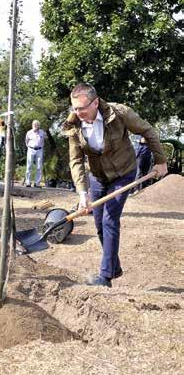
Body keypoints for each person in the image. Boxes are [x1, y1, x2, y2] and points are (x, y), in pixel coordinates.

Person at [63, 83, 167, 287]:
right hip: (98, 176)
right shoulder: (74, 125)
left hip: (123, 173)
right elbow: (75, 161)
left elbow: (147, 130)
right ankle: (114, 267)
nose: (78, 112)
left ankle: (105, 277)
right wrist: (83, 194)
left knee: (110, 219)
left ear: (95, 102)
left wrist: (161, 161)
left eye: (82, 108)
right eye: (75, 108)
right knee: (99, 223)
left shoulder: (119, 113)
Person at [25, 120, 45, 188]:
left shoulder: (42, 132)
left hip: (39, 150)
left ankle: (37, 183)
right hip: (31, 149)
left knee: (39, 167)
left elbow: (45, 139)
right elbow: (26, 141)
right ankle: (28, 182)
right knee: (29, 166)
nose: (36, 126)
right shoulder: (29, 132)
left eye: (38, 125)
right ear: (33, 125)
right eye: (35, 125)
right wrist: (30, 147)